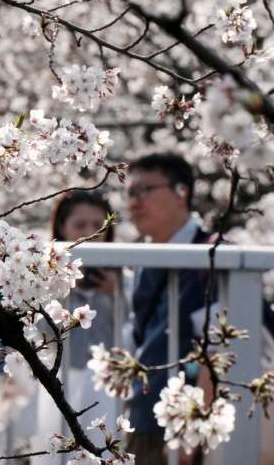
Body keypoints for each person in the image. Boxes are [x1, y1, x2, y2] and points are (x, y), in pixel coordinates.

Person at [124, 153, 211, 465]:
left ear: (181, 192)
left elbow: (222, 350)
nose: (135, 202)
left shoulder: (212, 255)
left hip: (188, 430)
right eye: (131, 193)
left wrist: (191, 430)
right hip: (145, 418)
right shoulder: (143, 260)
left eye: (146, 190)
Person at [50, 191, 122, 424]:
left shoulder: (123, 278)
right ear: (62, 227)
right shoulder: (47, 280)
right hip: (58, 388)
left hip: (107, 391)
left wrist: (117, 295)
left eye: (98, 226)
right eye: (80, 225)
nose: (90, 233)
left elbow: (134, 334)